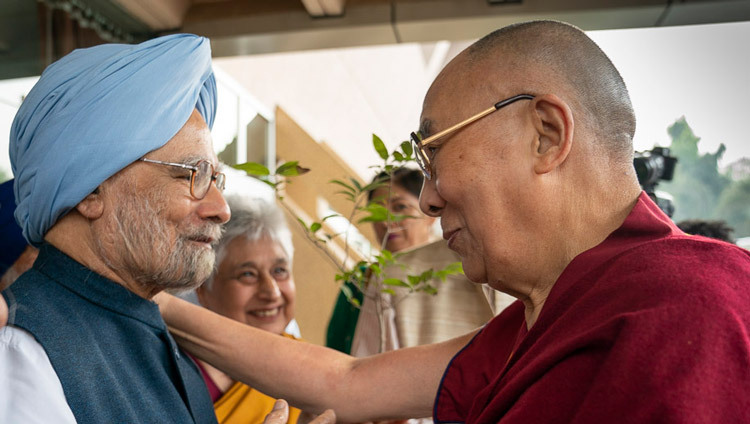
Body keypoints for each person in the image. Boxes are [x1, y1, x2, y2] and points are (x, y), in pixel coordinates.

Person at [0, 34, 230, 423]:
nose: (221, 209)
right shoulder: (21, 355)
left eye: (216, 179)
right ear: (91, 192)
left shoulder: (149, 334)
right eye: (192, 174)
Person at [191, 195, 305, 424]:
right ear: (203, 289)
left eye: (280, 271)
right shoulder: (174, 374)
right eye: (248, 274)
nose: (271, 292)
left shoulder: (305, 365)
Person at [326, 168, 439, 353]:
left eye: (400, 207)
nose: (386, 221)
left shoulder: (453, 277)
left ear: (430, 213)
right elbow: (335, 350)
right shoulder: (361, 281)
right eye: (377, 211)